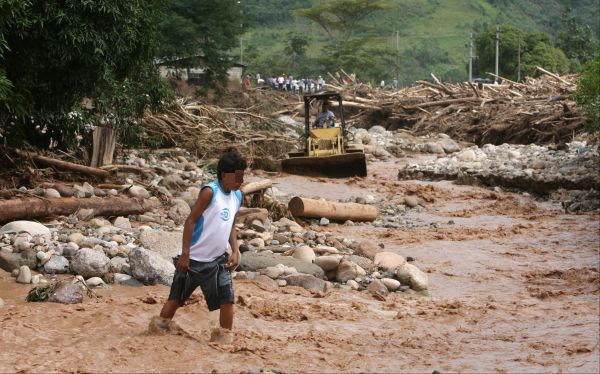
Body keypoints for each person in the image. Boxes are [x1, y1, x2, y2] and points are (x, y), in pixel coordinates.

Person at [151, 150, 247, 340]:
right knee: (175, 301)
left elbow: (231, 225)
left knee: (227, 300)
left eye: (242, 175)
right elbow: (190, 221)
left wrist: (235, 250)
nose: (241, 180)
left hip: (218, 261)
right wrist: (185, 254)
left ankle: (224, 342)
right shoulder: (209, 192)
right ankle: (156, 331)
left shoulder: (237, 196)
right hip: (193, 260)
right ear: (224, 175)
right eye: (237, 175)